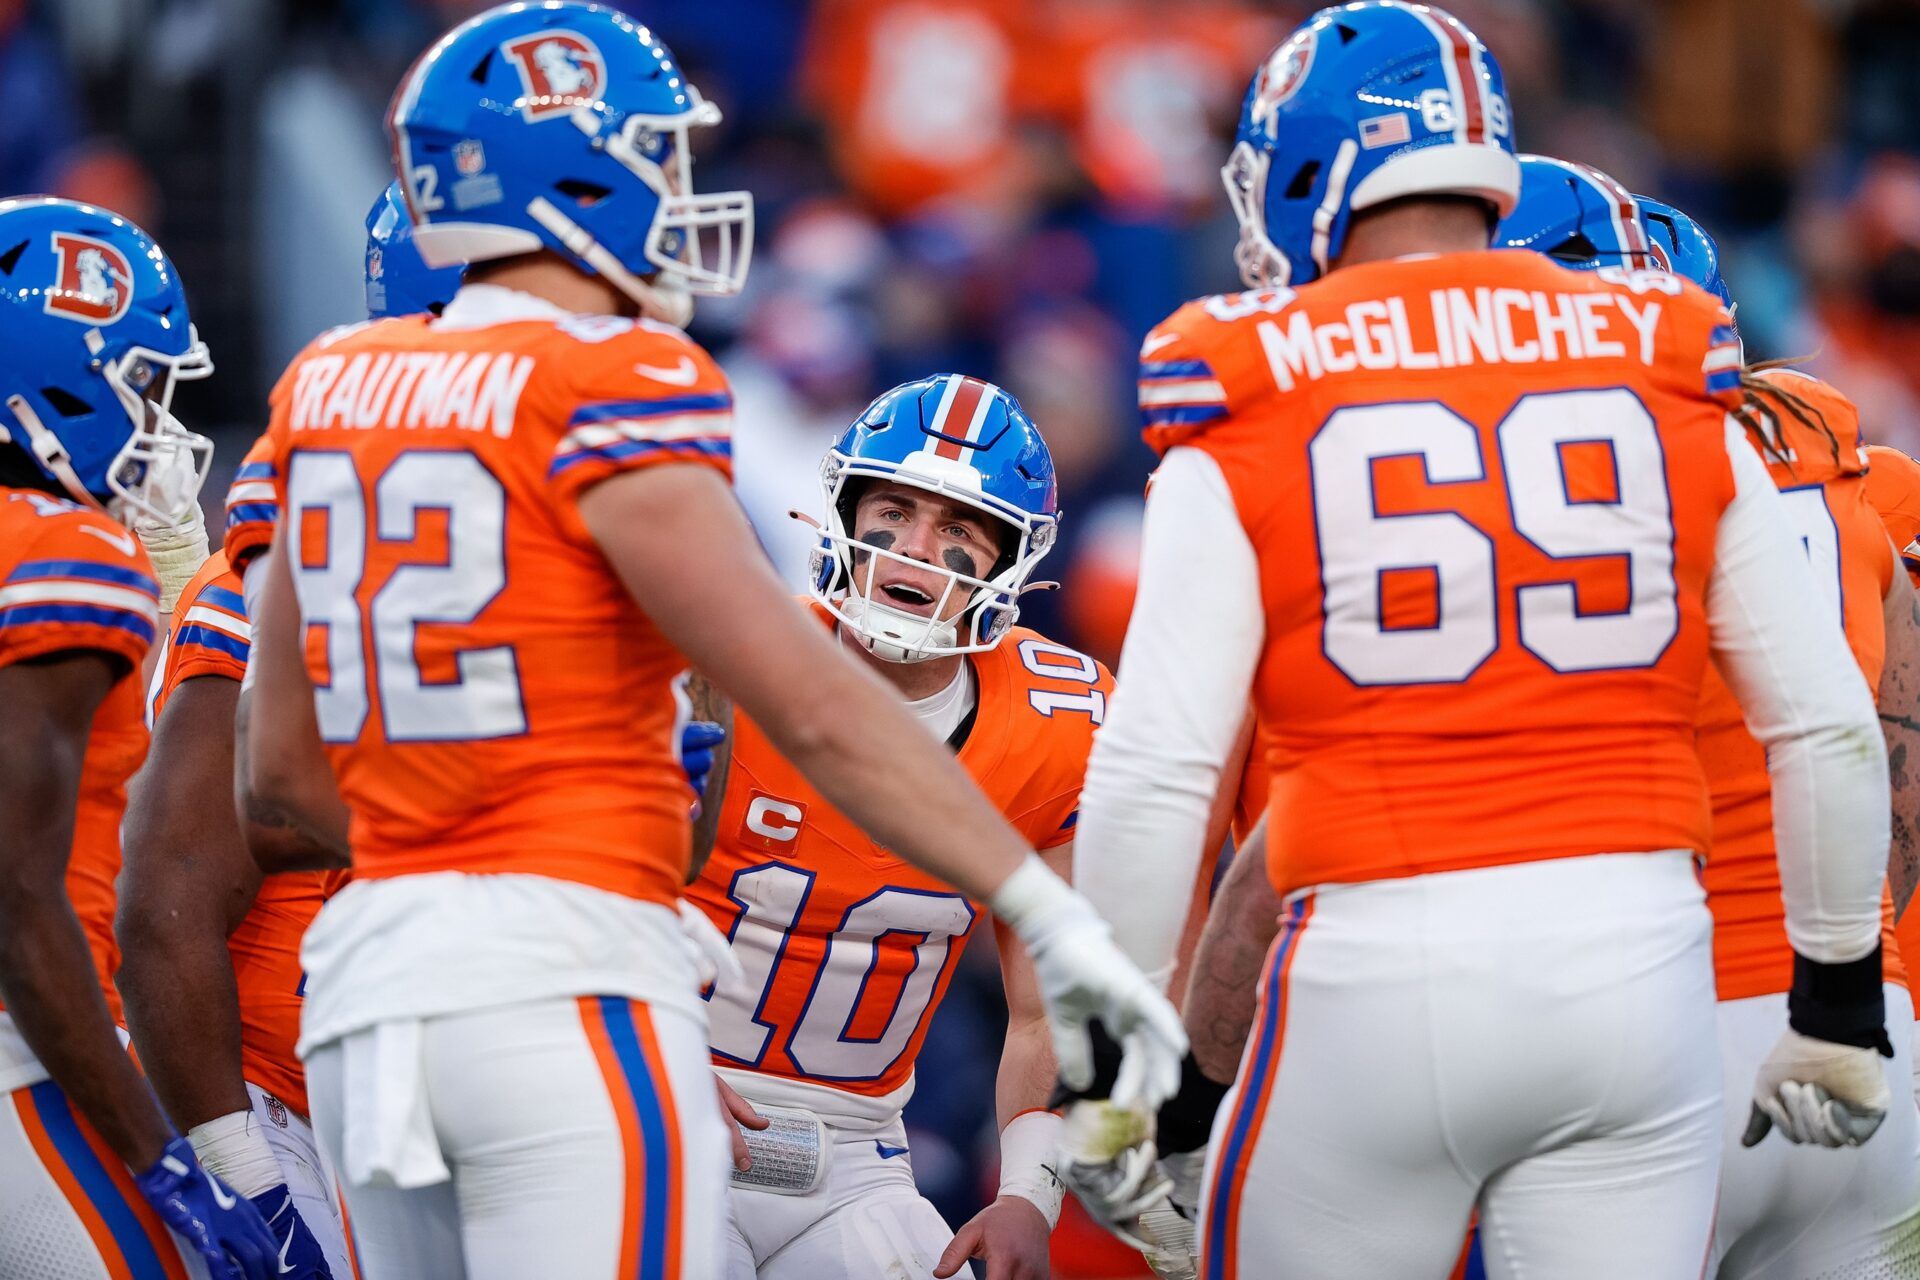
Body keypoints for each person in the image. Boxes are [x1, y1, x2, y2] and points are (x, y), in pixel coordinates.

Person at [234, 5, 1183, 1277]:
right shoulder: (622, 375)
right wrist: (1034, 902)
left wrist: (453, 857)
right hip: (564, 982)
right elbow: (813, 703)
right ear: (573, 180)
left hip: (369, 996)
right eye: (653, 158)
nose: (678, 192)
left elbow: (277, 777)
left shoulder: (326, 385)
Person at [1060, 6, 1893, 1277]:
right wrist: (1837, 992)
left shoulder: (1251, 372)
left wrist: (1116, 1073)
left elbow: (1155, 770)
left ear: (1303, 168)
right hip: (1642, 974)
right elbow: (1823, 717)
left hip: (1378, 965)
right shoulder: (1664, 356)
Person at [115, 180, 466, 1280]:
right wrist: (244, 1176)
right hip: (298, 1086)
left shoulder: (561, 543)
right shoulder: (322, 536)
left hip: (448, 1080)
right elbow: (168, 896)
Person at [692, 374, 1103, 1280]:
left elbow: (1046, 1014)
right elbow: (586, 897)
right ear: (842, 510)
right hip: (671, 1098)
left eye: (958, 529)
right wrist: (642, 1063)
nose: (914, 551)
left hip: (856, 1160)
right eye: (893, 509)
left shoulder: (1057, 723)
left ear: (1009, 565)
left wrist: (1028, 1193)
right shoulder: (723, 666)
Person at [0, 196, 281, 1279]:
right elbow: (18, 894)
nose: (159, 424)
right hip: (28, 1052)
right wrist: (156, 1148)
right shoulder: (61, 549)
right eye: (144, 384)